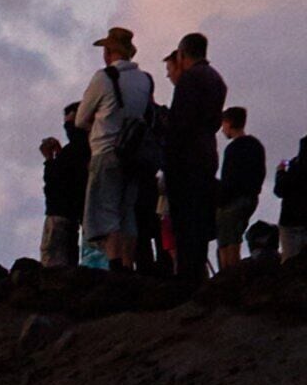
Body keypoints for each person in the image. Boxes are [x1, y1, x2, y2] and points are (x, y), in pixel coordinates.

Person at [76, 26, 159, 271]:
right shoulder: (145, 80)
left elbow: (81, 119)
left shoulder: (104, 78)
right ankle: (127, 263)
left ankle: (115, 266)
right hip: (134, 154)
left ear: (110, 51)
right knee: (127, 212)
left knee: (106, 211)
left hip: (106, 150)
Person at [161, 34, 228, 279]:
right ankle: (197, 275)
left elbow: (180, 125)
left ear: (182, 53)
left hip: (186, 160)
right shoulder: (216, 80)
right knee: (199, 222)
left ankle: (188, 278)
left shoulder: (190, 80)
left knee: (185, 224)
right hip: (206, 154)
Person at [213, 105, 265, 273]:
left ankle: (228, 278)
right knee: (236, 238)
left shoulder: (233, 149)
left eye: (223, 125)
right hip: (250, 198)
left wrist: (219, 199)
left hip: (232, 201)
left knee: (226, 242)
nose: (222, 130)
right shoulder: (256, 145)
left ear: (229, 123)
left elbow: (229, 180)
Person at [40, 111, 86, 267]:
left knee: (53, 265)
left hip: (58, 213)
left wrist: (49, 159)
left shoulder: (73, 151)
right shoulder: (88, 149)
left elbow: (54, 182)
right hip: (75, 216)